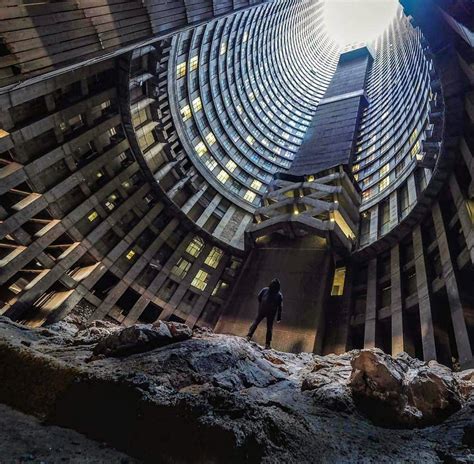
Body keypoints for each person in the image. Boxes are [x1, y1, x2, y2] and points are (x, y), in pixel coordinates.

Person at [246, 278, 283, 349]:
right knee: (269, 328)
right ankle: (267, 344)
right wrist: (279, 317)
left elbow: (259, 297)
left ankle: (248, 336)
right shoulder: (279, 294)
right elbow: (280, 307)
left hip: (263, 310)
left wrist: (261, 305)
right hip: (271, 313)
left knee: (256, 322)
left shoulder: (265, 290)